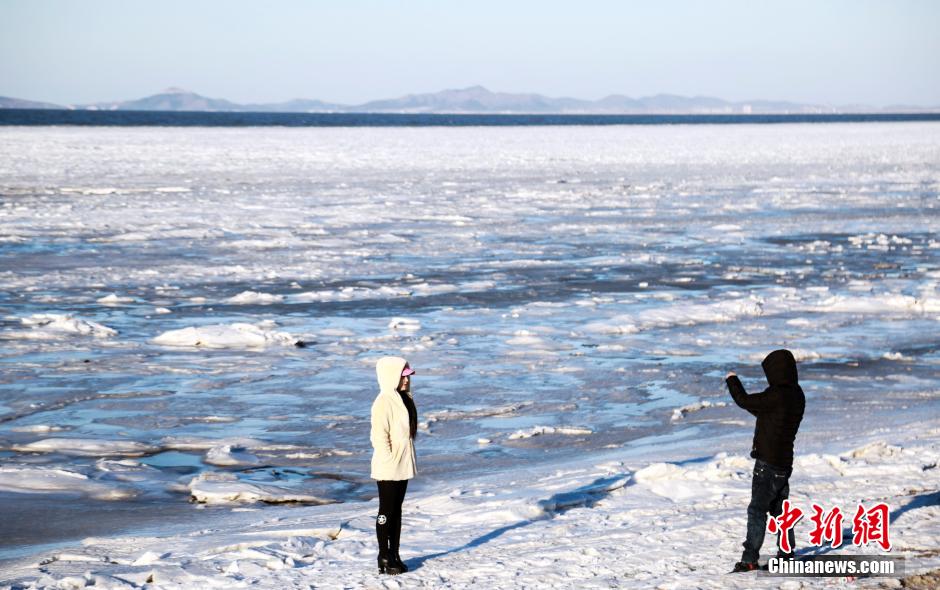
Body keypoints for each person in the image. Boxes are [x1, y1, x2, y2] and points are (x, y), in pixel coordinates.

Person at [725, 349, 805, 572]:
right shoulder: (797, 394)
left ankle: (749, 559)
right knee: (780, 512)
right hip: (784, 464)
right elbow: (766, 412)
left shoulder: (776, 394)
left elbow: (743, 400)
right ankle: (786, 553)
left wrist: (732, 380)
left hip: (766, 465)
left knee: (757, 511)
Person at [370, 356, 418, 575]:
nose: (406, 381)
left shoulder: (403, 398)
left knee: (397, 511)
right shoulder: (383, 401)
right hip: (388, 465)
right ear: (392, 376)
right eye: (403, 376)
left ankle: (395, 553)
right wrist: (389, 458)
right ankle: (383, 555)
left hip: (402, 464)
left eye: (407, 377)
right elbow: (379, 436)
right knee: (386, 511)